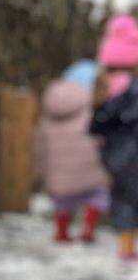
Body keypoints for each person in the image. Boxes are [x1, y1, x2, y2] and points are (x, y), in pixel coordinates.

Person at [33, 60, 109, 243]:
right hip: (89, 171)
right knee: (98, 196)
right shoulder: (91, 110)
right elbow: (101, 138)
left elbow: (40, 144)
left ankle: (61, 232)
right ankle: (89, 228)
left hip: (58, 174)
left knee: (62, 202)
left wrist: (42, 169)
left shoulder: (49, 110)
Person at [90, 14, 138, 261]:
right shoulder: (131, 90)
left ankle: (126, 246)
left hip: (113, 154)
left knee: (122, 199)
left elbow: (95, 124)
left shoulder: (104, 88)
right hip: (130, 152)